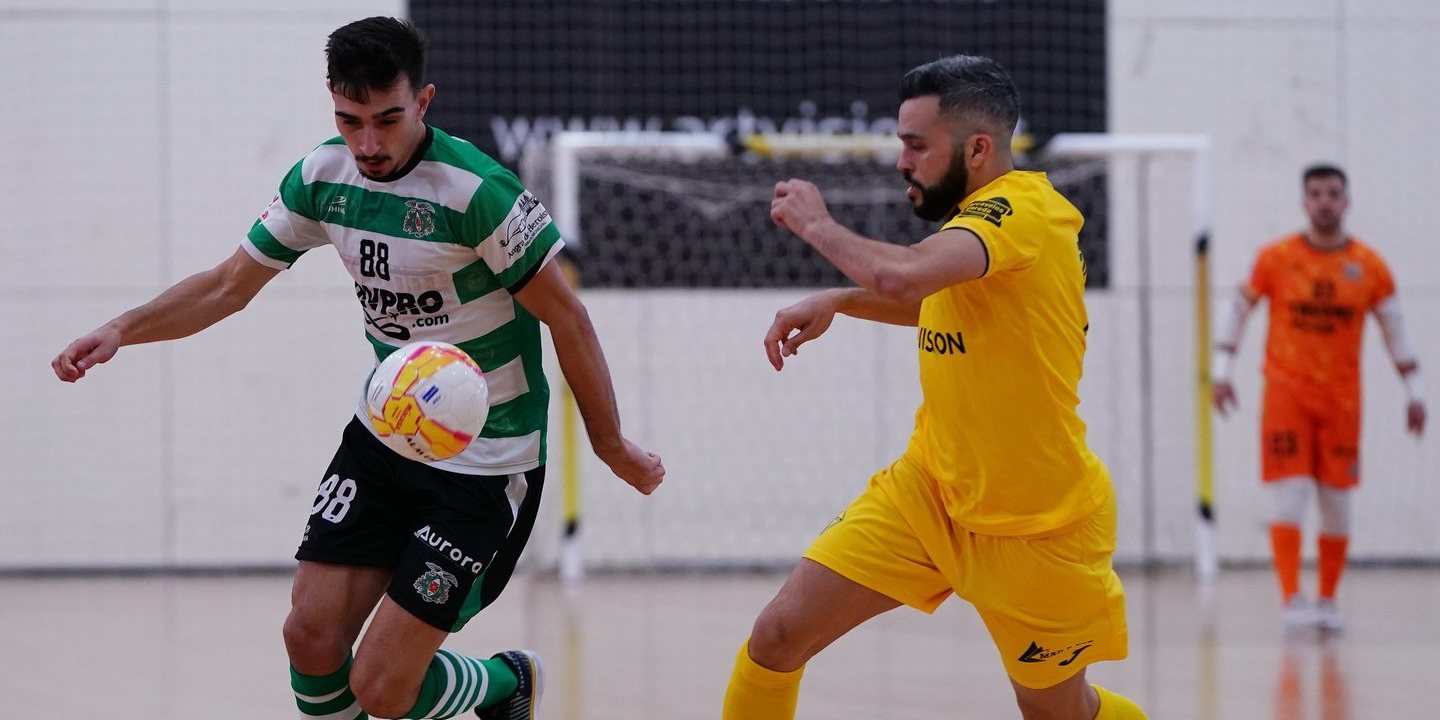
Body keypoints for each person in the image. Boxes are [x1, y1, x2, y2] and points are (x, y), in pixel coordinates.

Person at [50, 16, 664, 720]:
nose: (368, 144)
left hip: (484, 462)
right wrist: (121, 329)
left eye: (388, 120)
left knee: (382, 690)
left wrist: (610, 443)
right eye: (350, 121)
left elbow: (569, 318)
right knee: (310, 637)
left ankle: (505, 682)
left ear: (424, 102)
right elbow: (227, 286)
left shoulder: (477, 193)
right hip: (385, 435)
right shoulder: (322, 176)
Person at [721, 55, 1147, 720]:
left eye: (917, 146)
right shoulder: (975, 230)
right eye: (902, 143)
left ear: (978, 149)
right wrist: (841, 299)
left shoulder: (1020, 213)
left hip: (1036, 523)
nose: (902, 161)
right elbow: (938, 302)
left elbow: (908, 279)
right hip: (930, 492)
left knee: (1060, 713)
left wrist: (818, 226)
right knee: (778, 636)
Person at [1212, 163, 1424, 632]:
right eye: (1316, 193)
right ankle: (1292, 600)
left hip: (1343, 401)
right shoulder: (1277, 258)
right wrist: (1222, 370)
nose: (1324, 201)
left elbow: (1396, 328)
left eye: (1333, 193)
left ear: (1346, 201)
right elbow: (1238, 308)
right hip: (1287, 394)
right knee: (1288, 496)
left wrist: (1415, 390)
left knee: (1336, 502)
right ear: (1304, 201)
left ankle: (1327, 600)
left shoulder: (1369, 266)